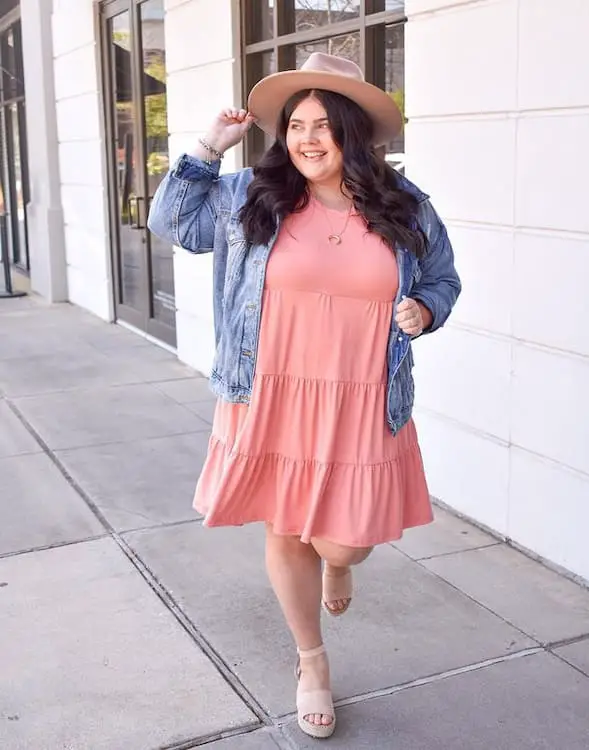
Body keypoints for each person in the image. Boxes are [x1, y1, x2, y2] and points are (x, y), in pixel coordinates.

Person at [148, 52, 461, 740]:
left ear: (353, 132)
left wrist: (425, 311)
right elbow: (173, 224)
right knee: (286, 531)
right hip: (269, 394)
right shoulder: (248, 196)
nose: (307, 139)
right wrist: (205, 149)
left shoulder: (405, 207)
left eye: (323, 124)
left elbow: (442, 279)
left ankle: (338, 571)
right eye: (295, 125)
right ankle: (311, 660)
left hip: (359, 399)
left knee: (343, 545)